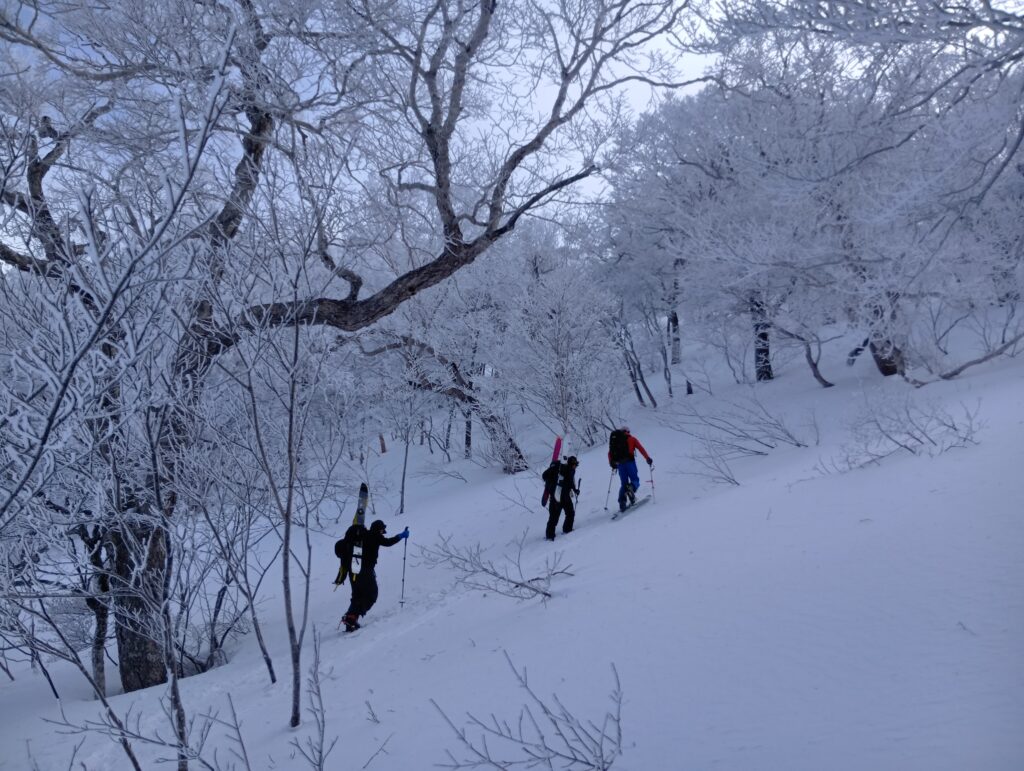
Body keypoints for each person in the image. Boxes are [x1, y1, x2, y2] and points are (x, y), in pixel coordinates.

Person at [340, 519, 409, 632]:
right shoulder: (375, 535)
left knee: (357, 595)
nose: (383, 532)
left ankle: (350, 620)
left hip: (353, 568)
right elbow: (388, 542)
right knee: (371, 595)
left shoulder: (362, 535)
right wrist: (401, 536)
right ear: (379, 529)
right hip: (365, 570)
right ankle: (352, 617)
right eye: (382, 530)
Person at [607, 426, 652, 512]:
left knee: (624, 484)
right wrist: (647, 458)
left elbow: (609, 453)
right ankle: (631, 489)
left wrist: (612, 464)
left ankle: (622, 503)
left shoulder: (615, 441)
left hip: (620, 464)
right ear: (627, 431)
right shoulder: (632, 439)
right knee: (635, 480)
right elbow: (641, 448)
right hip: (630, 462)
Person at [542, 455, 579, 541]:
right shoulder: (561, 469)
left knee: (570, 513)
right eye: (575, 465)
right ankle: (550, 536)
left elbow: (570, 482)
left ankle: (567, 529)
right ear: (571, 464)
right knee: (554, 517)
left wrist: (575, 490)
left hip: (565, 496)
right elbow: (544, 475)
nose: (576, 467)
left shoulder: (571, 470)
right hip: (556, 496)